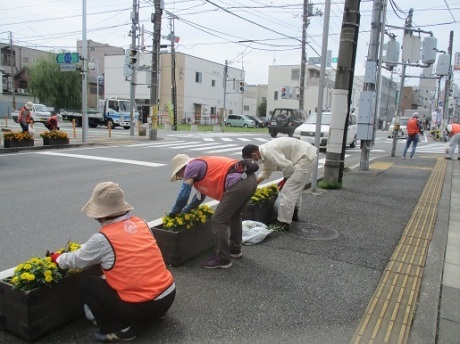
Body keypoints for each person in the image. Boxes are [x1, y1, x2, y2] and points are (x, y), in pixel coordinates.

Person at [50, 182, 175, 343]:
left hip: (145, 307)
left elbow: (76, 261)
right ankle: (155, 314)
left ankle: (120, 330)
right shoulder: (141, 223)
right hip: (168, 296)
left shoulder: (103, 239)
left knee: (88, 283)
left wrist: (57, 258)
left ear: (100, 214)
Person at [169, 154, 257, 269]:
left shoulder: (191, 166)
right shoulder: (199, 166)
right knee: (234, 215)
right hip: (250, 180)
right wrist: (186, 211)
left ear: (182, 169)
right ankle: (235, 250)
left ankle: (222, 258)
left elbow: (183, 194)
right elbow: (198, 198)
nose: (182, 177)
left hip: (239, 183)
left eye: (179, 175)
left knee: (218, 219)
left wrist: (174, 212)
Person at [242, 137, 318, 231]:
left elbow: (288, 166)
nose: (253, 163)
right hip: (305, 155)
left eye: (252, 160)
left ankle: (283, 222)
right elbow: (267, 169)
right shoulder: (263, 153)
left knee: (288, 191)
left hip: (304, 158)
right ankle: (294, 213)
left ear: (254, 155)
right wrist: (255, 183)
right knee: (295, 188)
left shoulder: (268, 151)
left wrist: (285, 180)